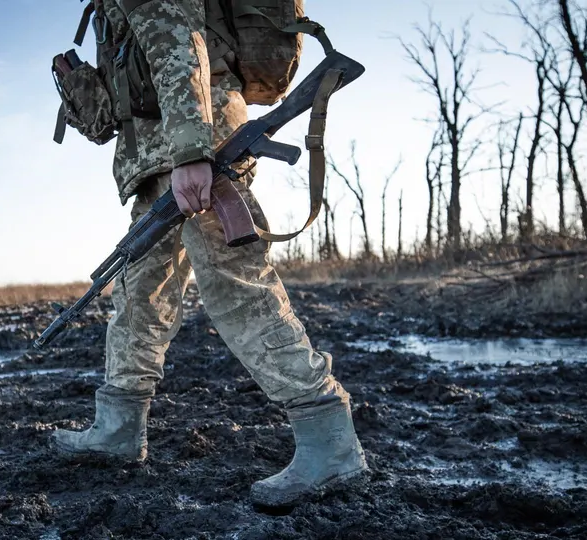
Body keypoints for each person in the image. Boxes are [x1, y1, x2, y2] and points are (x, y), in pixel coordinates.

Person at [49, 1, 368, 508]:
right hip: (160, 158)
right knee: (139, 297)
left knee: (236, 288)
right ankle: (118, 429)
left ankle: (328, 438)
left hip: (197, 147)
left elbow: (179, 43)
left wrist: (193, 152)